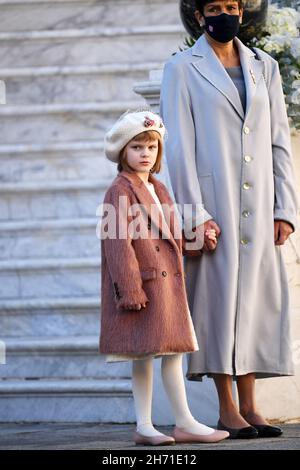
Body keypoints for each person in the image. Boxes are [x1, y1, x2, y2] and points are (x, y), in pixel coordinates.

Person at [160, 0, 298, 439]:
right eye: (216, 7)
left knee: (255, 302)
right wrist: (193, 214)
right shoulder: (182, 68)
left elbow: (278, 140)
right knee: (218, 305)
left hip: (259, 207)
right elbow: (178, 146)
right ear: (200, 16)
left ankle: (252, 406)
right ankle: (226, 409)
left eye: (233, 6)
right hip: (213, 206)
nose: (226, 14)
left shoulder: (266, 66)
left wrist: (284, 209)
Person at [99, 108, 229, 445]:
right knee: (142, 357)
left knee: (173, 353)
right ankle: (144, 425)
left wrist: (199, 240)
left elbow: (168, 238)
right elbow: (117, 243)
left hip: (167, 285)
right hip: (143, 287)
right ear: (122, 151)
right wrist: (129, 289)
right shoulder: (120, 190)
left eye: (151, 148)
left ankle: (184, 421)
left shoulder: (159, 188)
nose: (145, 154)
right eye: (137, 147)